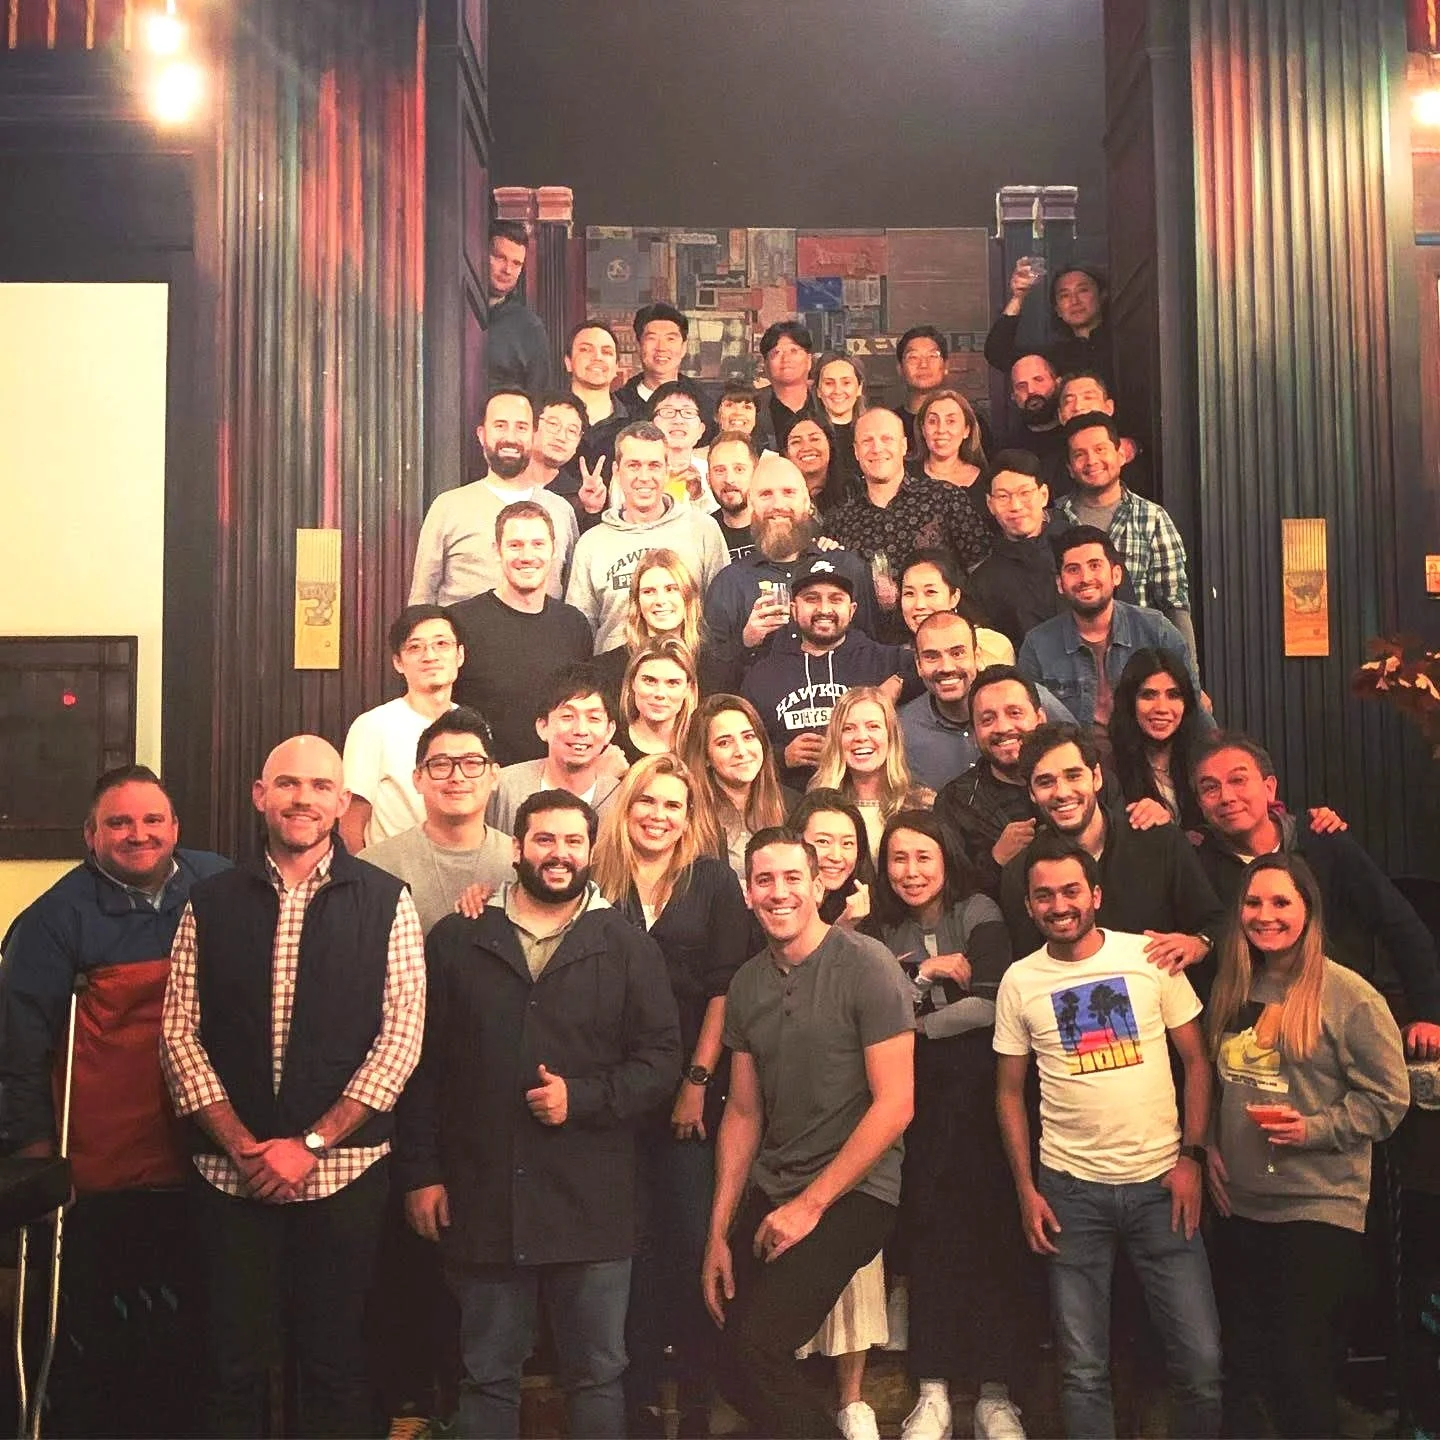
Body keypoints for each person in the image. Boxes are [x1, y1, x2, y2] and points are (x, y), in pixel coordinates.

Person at [160, 734, 426, 1437]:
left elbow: (400, 1041)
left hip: (343, 1173)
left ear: (343, 801)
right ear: (260, 795)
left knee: (336, 1366)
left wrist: (308, 1144)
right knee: (230, 1369)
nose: (302, 798)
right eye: (287, 784)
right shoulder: (209, 902)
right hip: (229, 1176)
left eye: (318, 786)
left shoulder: (387, 901)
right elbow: (178, 1035)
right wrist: (247, 1146)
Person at [395, 789, 680, 1439]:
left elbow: (661, 1062)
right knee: (487, 1375)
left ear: (590, 851)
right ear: (516, 848)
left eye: (573, 841)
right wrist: (421, 1173)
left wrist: (582, 1098)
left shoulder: (627, 945)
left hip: (595, 1200)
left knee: (597, 1375)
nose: (559, 854)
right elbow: (422, 1068)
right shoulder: (458, 939)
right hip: (484, 1194)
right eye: (544, 840)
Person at [0, 765, 230, 1436]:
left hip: (208, 1152)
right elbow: (19, 1048)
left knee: (197, 1320)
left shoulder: (217, 885)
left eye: (152, 820)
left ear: (176, 828)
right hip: (103, 1163)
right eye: (120, 823)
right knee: (101, 1325)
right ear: (90, 835)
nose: (139, 835)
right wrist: (39, 1160)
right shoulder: (49, 922)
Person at [993, 834, 1221, 1439]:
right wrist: (1026, 1190)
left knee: (1201, 1364)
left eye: (1071, 890)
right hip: (1070, 1194)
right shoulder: (1020, 981)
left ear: (1095, 894)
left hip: (1161, 1186)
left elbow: (1198, 1062)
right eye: (1043, 895)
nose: (1058, 904)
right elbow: (1008, 1093)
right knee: (1081, 1370)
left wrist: (1192, 1158)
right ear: (1028, 906)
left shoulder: (1149, 958)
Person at [702, 827, 915, 1439]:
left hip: (857, 1193)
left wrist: (809, 1207)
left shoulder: (867, 964)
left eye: (793, 877)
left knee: (758, 1350)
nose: (779, 892)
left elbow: (896, 1103)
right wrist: (719, 1233)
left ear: (820, 883)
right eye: (764, 880)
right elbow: (743, 1115)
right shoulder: (746, 984)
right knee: (721, 1350)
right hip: (777, 1187)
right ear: (747, 893)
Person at [1204, 854, 1409, 1438]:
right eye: (1252, 902)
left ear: (1308, 911)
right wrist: (1209, 1147)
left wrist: (1312, 1129)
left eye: (1280, 902)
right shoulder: (1235, 983)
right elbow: (1225, 1087)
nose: (1264, 915)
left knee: (1303, 1374)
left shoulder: (1349, 996)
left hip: (1318, 1209)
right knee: (1249, 1371)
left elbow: (1388, 1101)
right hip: (1241, 1208)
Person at [591, 755, 751, 1433]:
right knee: (624, 1247)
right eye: (646, 802)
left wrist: (697, 1082)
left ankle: (695, 1401)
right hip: (613, 1093)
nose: (658, 816)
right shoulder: (598, 882)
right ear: (625, 809)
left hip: (693, 1088)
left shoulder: (712, 881)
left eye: (673, 806)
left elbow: (726, 987)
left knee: (690, 1241)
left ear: (691, 818)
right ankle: (635, 1402)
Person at [869, 811, 1028, 1440]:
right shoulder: (882, 929)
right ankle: (930, 1387)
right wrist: (925, 974)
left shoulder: (981, 909)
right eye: (898, 859)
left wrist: (913, 1019)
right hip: (915, 1100)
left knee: (992, 1233)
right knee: (928, 1233)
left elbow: (991, 1001)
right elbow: (874, 1005)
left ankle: (996, 1392)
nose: (911, 871)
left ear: (946, 858)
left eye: (923, 857)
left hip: (984, 1095)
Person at [1191, 733, 1440, 1050]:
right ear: (1199, 803)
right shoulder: (1196, 861)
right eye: (1210, 788)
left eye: (1238, 780)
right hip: (1251, 1033)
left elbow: (1399, 923)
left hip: (1337, 1019)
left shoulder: (1322, 840)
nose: (1226, 796)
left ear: (1269, 788)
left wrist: (1430, 1013)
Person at [998, 722, 1224, 961]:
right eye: (1045, 782)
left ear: (1096, 778)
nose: (1062, 792)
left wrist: (1200, 943)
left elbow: (1215, 925)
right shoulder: (1020, 874)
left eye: (1073, 776)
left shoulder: (1158, 840)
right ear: (1032, 793)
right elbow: (1029, 967)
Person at [702, 452, 879, 685]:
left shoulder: (847, 568)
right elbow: (711, 683)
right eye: (766, 494)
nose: (778, 505)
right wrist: (747, 641)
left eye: (788, 493)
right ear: (751, 505)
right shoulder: (729, 583)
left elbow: (874, 657)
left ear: (806, 502)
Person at [741, 556, 917, 790]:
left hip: (867, 799)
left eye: (836, 599)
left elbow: (938, 666)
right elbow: (741, 746)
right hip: (791, 805)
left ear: (852, 609)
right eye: (812, 599)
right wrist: (783, 757)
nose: (824, 609)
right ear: (794, 608)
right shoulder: (762, 675)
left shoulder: (882, 660)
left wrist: (898, 681)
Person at [1018, 526, 1203, 738]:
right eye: (1073, 569)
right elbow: (1030, 725)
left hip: (1149, 760)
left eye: (1095, 565)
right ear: (1060, 584)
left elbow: (1193, 710)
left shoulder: (1157, 631)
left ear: (1116, 575)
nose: (1085, 578)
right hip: (1075, 764)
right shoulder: (1038, 644)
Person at [449, 499, 595, 767]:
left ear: (553, 550)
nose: (527, 556)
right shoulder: (460, 623)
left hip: (558, 784)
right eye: (515, 545)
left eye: (538, 544)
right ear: (497, 550)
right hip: (483, 786)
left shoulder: (574, 625)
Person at [565, 421, 730, 656]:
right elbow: (579, 632)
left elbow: (720, 620)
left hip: (687, 676)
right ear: (616, 471)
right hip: (613, 678)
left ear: (667, 470)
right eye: (633, 465)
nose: (644, 476)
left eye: (654, 465)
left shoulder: (703, 530)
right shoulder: (591, 544)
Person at [409, 389, 578, 607]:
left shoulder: (560, 510)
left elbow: (573, 599)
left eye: (521, 427)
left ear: (533, 435)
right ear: (481, 434)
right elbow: (421, 601)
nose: (510, 437)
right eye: (500, 426)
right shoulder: (448, 507)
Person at [359, 707, 514, 932]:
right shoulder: (374, 866)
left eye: (472, 763)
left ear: (494, 776)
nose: (457, 777)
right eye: (441, 765)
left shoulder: (522, 862)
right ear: (417, 779)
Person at [1054, 414, 1196, 657]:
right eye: (1080, 454)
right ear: (1069, 468)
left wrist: (1188, 679)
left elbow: (1175, 606)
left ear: (1121, 455)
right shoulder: (1055, 519)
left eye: (1100, 449)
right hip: (1070, 664)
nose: (1092, 460)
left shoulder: (1152, 518)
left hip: (1141, 661)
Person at [823, 409, 992, 606]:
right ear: (856, 452)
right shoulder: (839, 521)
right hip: (867, 633)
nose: (877, 448)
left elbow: (982, 568)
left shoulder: (944, 497)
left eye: (887, 439)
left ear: (903, 446)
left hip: (939, 630)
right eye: (867, 441)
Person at [340, 605, 461, 851]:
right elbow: (350, 823)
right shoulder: (374, 726)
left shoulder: (472, 725)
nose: (430, 656)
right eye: (415, 647)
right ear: (398, 662)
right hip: (390, 880)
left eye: (441, 644)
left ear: (459, 655)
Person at [933, 666, 1059, 892]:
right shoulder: (954, 802)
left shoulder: (1080, 781)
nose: (1002, 727)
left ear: (1040, 719)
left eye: (1014, 713)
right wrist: (995, 860)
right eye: (987, 719)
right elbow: (952, 896)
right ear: (974, 733)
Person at [486, 664, 623, 834]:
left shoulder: (622, 799)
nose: (580, 730)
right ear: (542, 726)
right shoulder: (503, 788)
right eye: (567, 717)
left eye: (593, 718)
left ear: (609, 730)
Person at [810, 686, 935, 856]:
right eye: (848, 728)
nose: (861, 737)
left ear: (891, 736)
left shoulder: (922, 804)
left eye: (873, 726)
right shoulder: (815, 808)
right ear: (836, 739)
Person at [684, 693, 795, 882]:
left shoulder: (793, 806)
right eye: (724, 743)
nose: (741, 752)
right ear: (706, 757)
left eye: (749, 737)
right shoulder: (688, 814)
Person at [968, 452, 1066, 650]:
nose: (1015, 506)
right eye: (1003, 496)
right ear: (990, 504)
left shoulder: (1081, 550)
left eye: (1025, 493)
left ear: (1044, 495)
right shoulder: (984, 579)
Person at [1108, 648, 1206, 831]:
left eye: (1173, 695)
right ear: (1130, 702)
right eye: (1148, 695)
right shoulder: (1109, 766)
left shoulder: (1204, 760)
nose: (1162, 708)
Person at [983, 259, 1112, 388]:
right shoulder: (1056, 356)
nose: (1074, 301)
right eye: (1064, 295)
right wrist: (1018, 297)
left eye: (1083, 290)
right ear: (1058, 310)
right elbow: (998, 353)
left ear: (1102, 296)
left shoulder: (1123, 343)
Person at [561, 319, 632, 521]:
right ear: (568, 362)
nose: (597, 357)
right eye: (586, 350)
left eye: (607, 352)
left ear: (617, 366)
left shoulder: (634, 424)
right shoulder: (546, 419)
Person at [900, 548, 1015, 671]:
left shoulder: (989, 645)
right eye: (909, 593)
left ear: (954, 597)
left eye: (930, 592)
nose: (919, 605)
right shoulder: (896, 657)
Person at [788, 788, 878, 927]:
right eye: (823, 842)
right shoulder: (778, 900)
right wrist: (843, 927)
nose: (836, 856)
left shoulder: (859, 905)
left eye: (847, 843)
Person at [484, 219, 549, 394]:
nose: (508, 270)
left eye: (516, 263)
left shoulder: (529, 327)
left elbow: (537, 395)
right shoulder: (452, 309)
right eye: (500, 257)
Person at [615, 638, 699, 763]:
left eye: (672, 683)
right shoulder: (610, 744)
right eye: (649, 680)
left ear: (688, 688)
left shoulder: (700, 748)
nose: (660, 693)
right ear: (632, 682)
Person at [913, 388, 989, 513]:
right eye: (932, 421)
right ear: (923, 429)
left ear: (966, 430)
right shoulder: (905, 477)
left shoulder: (987, 482)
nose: (941, 429)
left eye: (951, 421)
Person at [615, 303, 695, 419]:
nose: (661, 348)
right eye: (652, 338)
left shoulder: (706, 405)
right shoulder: (617, 406)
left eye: (670, 339)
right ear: (638, 345)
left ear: (683, 347)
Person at [997, 354, 1067, 482]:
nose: (1031, 390)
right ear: (1014, 396)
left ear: (1057, 383)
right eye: (1021, 386)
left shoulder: (1074, 437)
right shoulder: (1009, 450)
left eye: (1038, 380)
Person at [647, 378, 714, 510]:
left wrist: (698, 497)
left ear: (701, 430)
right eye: (668, 412)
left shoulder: (712, 473)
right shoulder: (633, 470)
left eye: (688, 412)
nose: (678, 420)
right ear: (651, 425)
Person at [759, 319, 824, 449]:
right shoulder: (754, 407)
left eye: (794, 351)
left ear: (809, 360)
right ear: (765, 365)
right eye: (776, 353)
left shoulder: (826, 403)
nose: (786, 359)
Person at [894, 326, 950, 458]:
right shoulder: (891, 424)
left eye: (932, 356)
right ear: (900, 369)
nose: (923, 364)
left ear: (946, 366)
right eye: (913, 357)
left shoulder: (968, 421)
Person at [814, 350, 866, 488]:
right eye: (829, 383)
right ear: (818, 390)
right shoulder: (807, 436)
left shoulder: (872, 433)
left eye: (846, 383)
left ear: (859, 388)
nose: (837, 391)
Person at [705, 429, 758, 560]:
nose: (729, 479)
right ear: (708, 479)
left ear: (756, 473)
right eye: (719, 470)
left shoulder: (781, 526)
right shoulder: (703, 534)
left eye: (739, 469)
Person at [786, 413, 852, 516]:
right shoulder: (781, 500)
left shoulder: (853, 490)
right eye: (796, 442)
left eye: (814, 439)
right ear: (786, 453)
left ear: (830, 445)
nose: (806, 447)